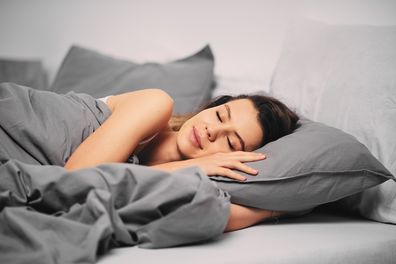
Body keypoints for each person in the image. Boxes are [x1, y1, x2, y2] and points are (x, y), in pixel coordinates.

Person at [64, 88, 299, 233]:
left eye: (230, 143)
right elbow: (73, 183)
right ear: (211, 107)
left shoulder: (182, 186)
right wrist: (190, 165)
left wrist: (271, 212)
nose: (212, 130)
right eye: (219, 115)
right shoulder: (155, 103)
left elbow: (205, 214)